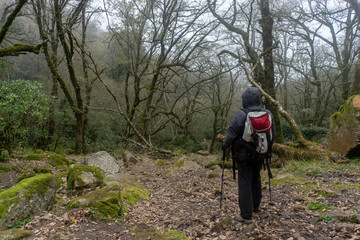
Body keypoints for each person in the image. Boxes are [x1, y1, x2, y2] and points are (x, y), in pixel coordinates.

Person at [221, 87, 276, 223]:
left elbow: (231, 136)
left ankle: (246, 215)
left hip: (243, 156)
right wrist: (264, 149)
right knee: (256, 178)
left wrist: (224, 146)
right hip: (260, 153)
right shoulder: (267, 113)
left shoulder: (241, 115)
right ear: (258, 100)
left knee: (244, 181)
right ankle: (255, 207)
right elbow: (273, 135)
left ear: (244, 100)